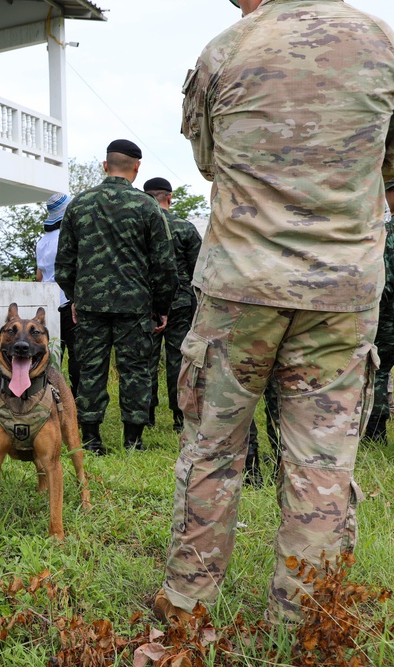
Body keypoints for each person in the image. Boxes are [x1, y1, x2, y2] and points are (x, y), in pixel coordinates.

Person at [156, 0, 394, 626]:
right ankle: (305, 628)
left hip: (241, 285)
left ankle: (185, 619)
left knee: (211, 452)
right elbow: (388, 163)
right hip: (342, 292)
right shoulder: (382, 43)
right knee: (323, 462)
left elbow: (208, 159)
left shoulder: (227, 48)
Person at [55, 139, 177, 454]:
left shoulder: (79, 205)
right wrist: (160, 308)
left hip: (91, 306)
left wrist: (76, 299)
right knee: (135, 370)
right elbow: (165, 265)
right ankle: (133, 442)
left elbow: (64, 265)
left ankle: (92, 440)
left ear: (105, 165)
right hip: (135, 306)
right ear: (137, 168)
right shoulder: (147, 206)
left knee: (90, 369)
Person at [142, 178, 202, 433]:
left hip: (146, 303)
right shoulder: (185, 228)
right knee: (178, 358)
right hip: (179, 303)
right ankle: (180, 417)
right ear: (170, 197)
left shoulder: (140, 227)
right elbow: (198, 269)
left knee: (144, 359)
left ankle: (145, 415)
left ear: (146, 198)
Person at [35, 192, 80, 396]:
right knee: (77, 356)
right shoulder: (69, 238)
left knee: (53, 355)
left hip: (48, 306)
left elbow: (39, 277)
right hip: (69, 303)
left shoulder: (42, 242)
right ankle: (76, 400)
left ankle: (51, 396)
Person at [362, 181, 394, 445]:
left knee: (379, 373)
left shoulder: (386, 233)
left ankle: (374, 436)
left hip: (387, 320)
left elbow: (382, 284)